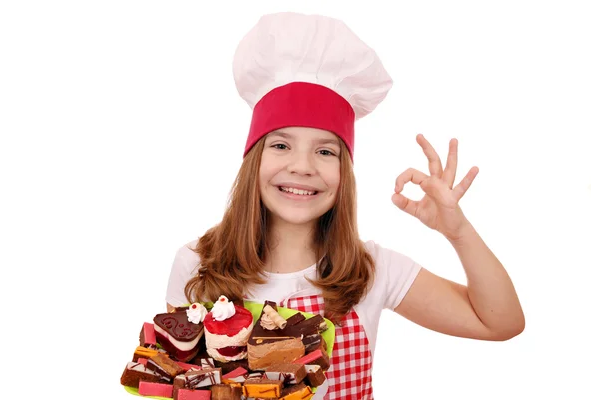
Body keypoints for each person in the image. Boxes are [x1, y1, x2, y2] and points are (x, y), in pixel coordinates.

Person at [165, 11, 525, 399]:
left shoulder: (371, 269)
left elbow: (500, 323)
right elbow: (179, 386)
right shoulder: (198, 265)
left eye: (325, 150)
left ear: (344, 172)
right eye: (281, 145)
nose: (302, 167)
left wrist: (457, 231)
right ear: (254, 158)